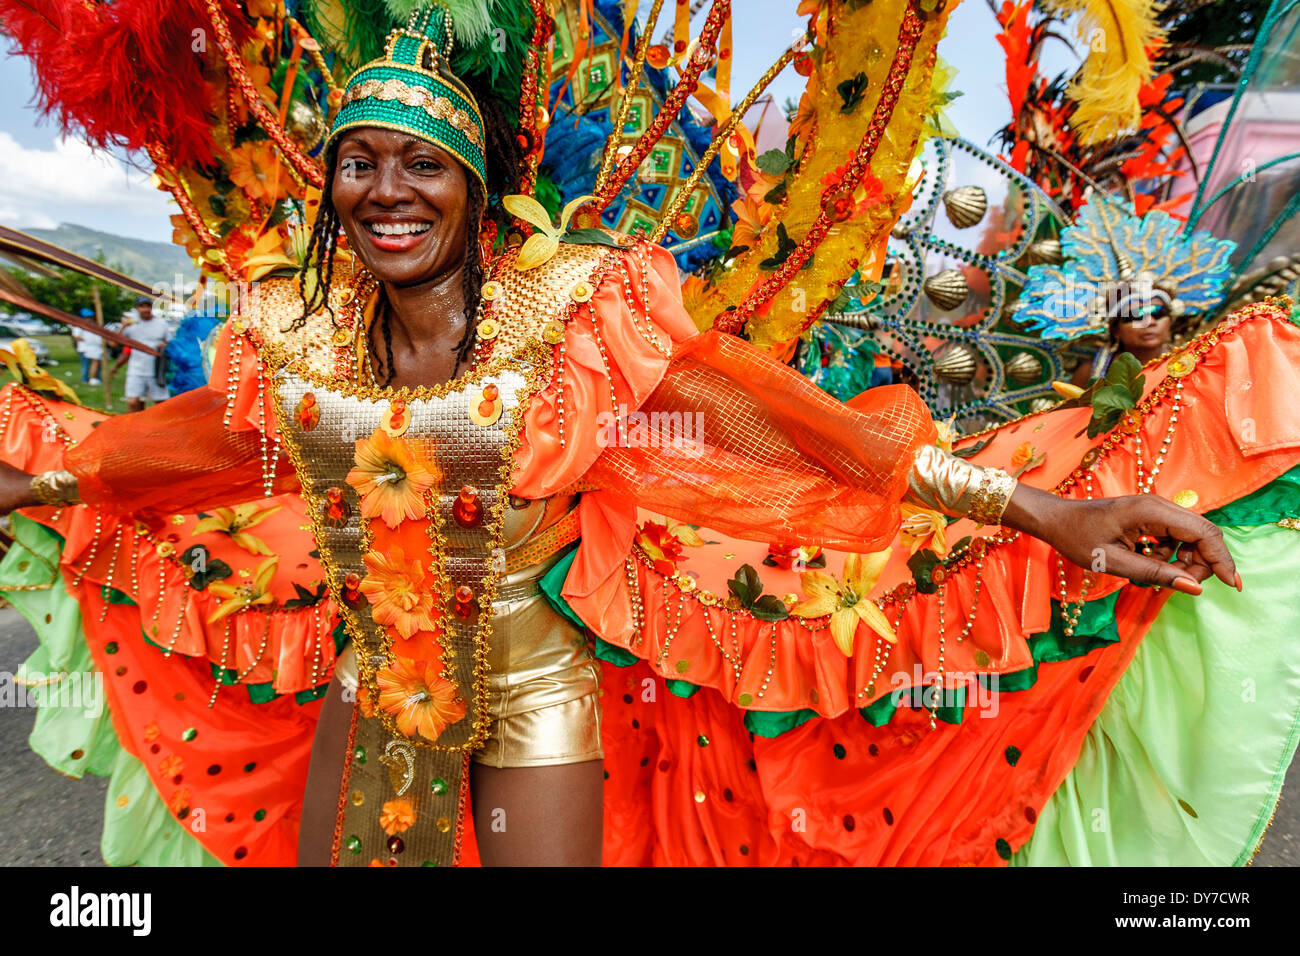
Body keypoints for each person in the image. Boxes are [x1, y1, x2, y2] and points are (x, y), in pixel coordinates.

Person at [0, 9, 1248, 868]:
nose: (389, 191)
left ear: (477, 187)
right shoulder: (296, 335)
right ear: (329, 184)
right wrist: (40, 479)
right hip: (366, 681)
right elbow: (191, 446)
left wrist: (1044, 513)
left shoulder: (579, 313)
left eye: (422, 164)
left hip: (538, 685)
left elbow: (806, 435)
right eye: (360, 162)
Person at [110, 296, 170, 411]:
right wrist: (123, 326)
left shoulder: (162, 324)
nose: (145, 309)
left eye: (148, 306)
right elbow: (113, 343)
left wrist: (165, 345)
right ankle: (133, 426)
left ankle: (162, 426)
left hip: (156, 369)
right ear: (136, 308)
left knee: (161, 402)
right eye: (142, 306)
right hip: (136, 369)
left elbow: (170, 343)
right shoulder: (131, 325)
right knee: (133, 402)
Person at [70, 308, 103, 386]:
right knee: (86, 366)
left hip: (94, 348)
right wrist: (88, 340)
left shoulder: (94, 325)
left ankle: (97, 378)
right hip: (84, 349)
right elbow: (76, 336)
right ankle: (85, 379)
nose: (89, 319)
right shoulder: (79, 326)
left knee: (96, 364)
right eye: (87, 317)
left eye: (90, 317)